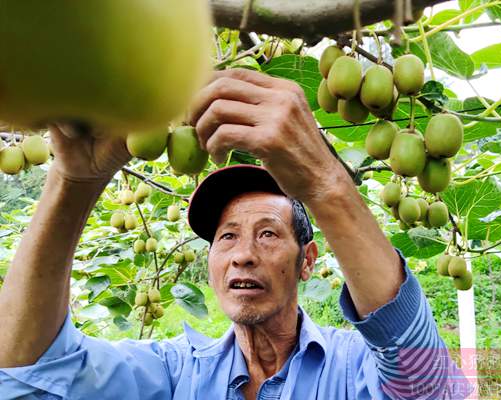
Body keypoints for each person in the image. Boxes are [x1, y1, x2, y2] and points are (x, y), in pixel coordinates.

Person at [0, 69, 472, 399]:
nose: (242, 255)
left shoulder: (353, 369)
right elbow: (25, 372)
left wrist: (327, 185)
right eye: (226, 237)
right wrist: (74, 183)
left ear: (307, 260)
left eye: (267, 234)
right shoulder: (172, 372)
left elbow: (432, 388)